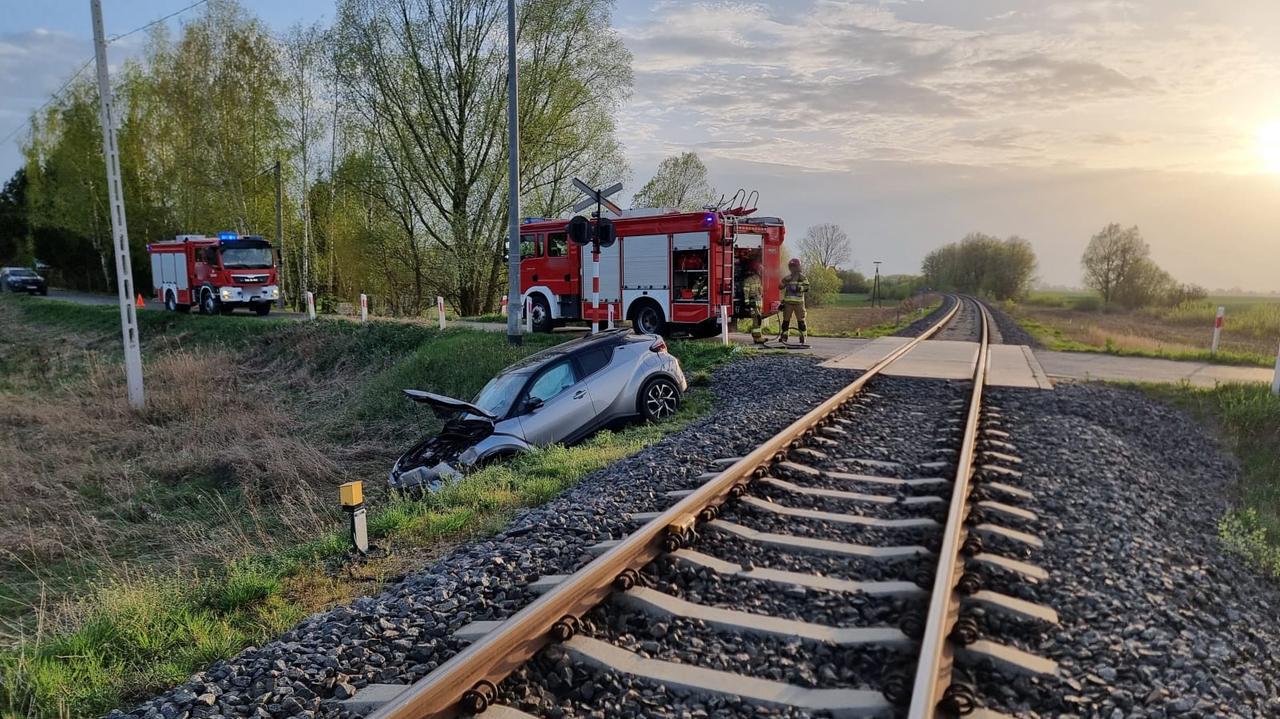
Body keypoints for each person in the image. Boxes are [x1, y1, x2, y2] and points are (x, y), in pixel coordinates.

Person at [778, 258, 809, 344]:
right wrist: (784, 281)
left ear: (798, 267)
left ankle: (802, 338)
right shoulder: (788, 278)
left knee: (801, 322)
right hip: (788, 304)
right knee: (785, 322)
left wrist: (799, 288)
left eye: (794, 266)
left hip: (799, 304)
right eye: (791, 266)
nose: (793, 268)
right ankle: (784, 337)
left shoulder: (802, 277)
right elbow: (780, 287)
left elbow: (807, 287)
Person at [739, 260, 765, 344]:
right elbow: (746, 292)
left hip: (758, 303)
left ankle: (759, 337)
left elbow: (760, 291)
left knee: (758, 320)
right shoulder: (748, 280)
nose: (760, 272)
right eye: (759, 270)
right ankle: (756, 338)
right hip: (752, 303)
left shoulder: (758, 279)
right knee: (756, 320)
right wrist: (747, 303)